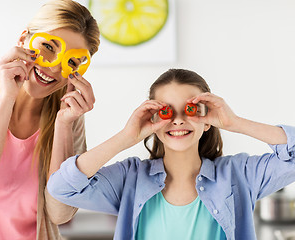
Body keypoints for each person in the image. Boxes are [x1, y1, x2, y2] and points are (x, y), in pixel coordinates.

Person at [47, 68, 295, 240]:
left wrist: (234, 122)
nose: (177, 121)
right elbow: (61, 187)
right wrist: (127, 136)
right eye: (166, 112)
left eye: (190, 110)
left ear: (207, 120)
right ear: (152, 119)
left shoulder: (238, 175)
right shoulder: (130, 178)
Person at [0, 0, 100, 239]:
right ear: (24, 39)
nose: (55, 66)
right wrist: (7, 98)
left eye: (71, 61)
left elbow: (61, 214)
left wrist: (64, 125)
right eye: (48, 47)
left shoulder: (68, 114)